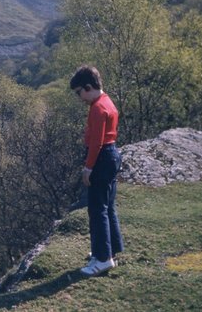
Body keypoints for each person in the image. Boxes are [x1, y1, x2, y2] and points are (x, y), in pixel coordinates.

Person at [70, 65, 124, 277]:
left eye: (79, 92)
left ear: (88, 87)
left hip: (102, 157)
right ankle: (111, 249)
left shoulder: (97, 108)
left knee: (97, 209)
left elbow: (96, 142)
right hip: (111, 154)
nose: (79, 97)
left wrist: (88, 168)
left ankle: (103, 259)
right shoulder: (107, 101)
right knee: (108, 206)